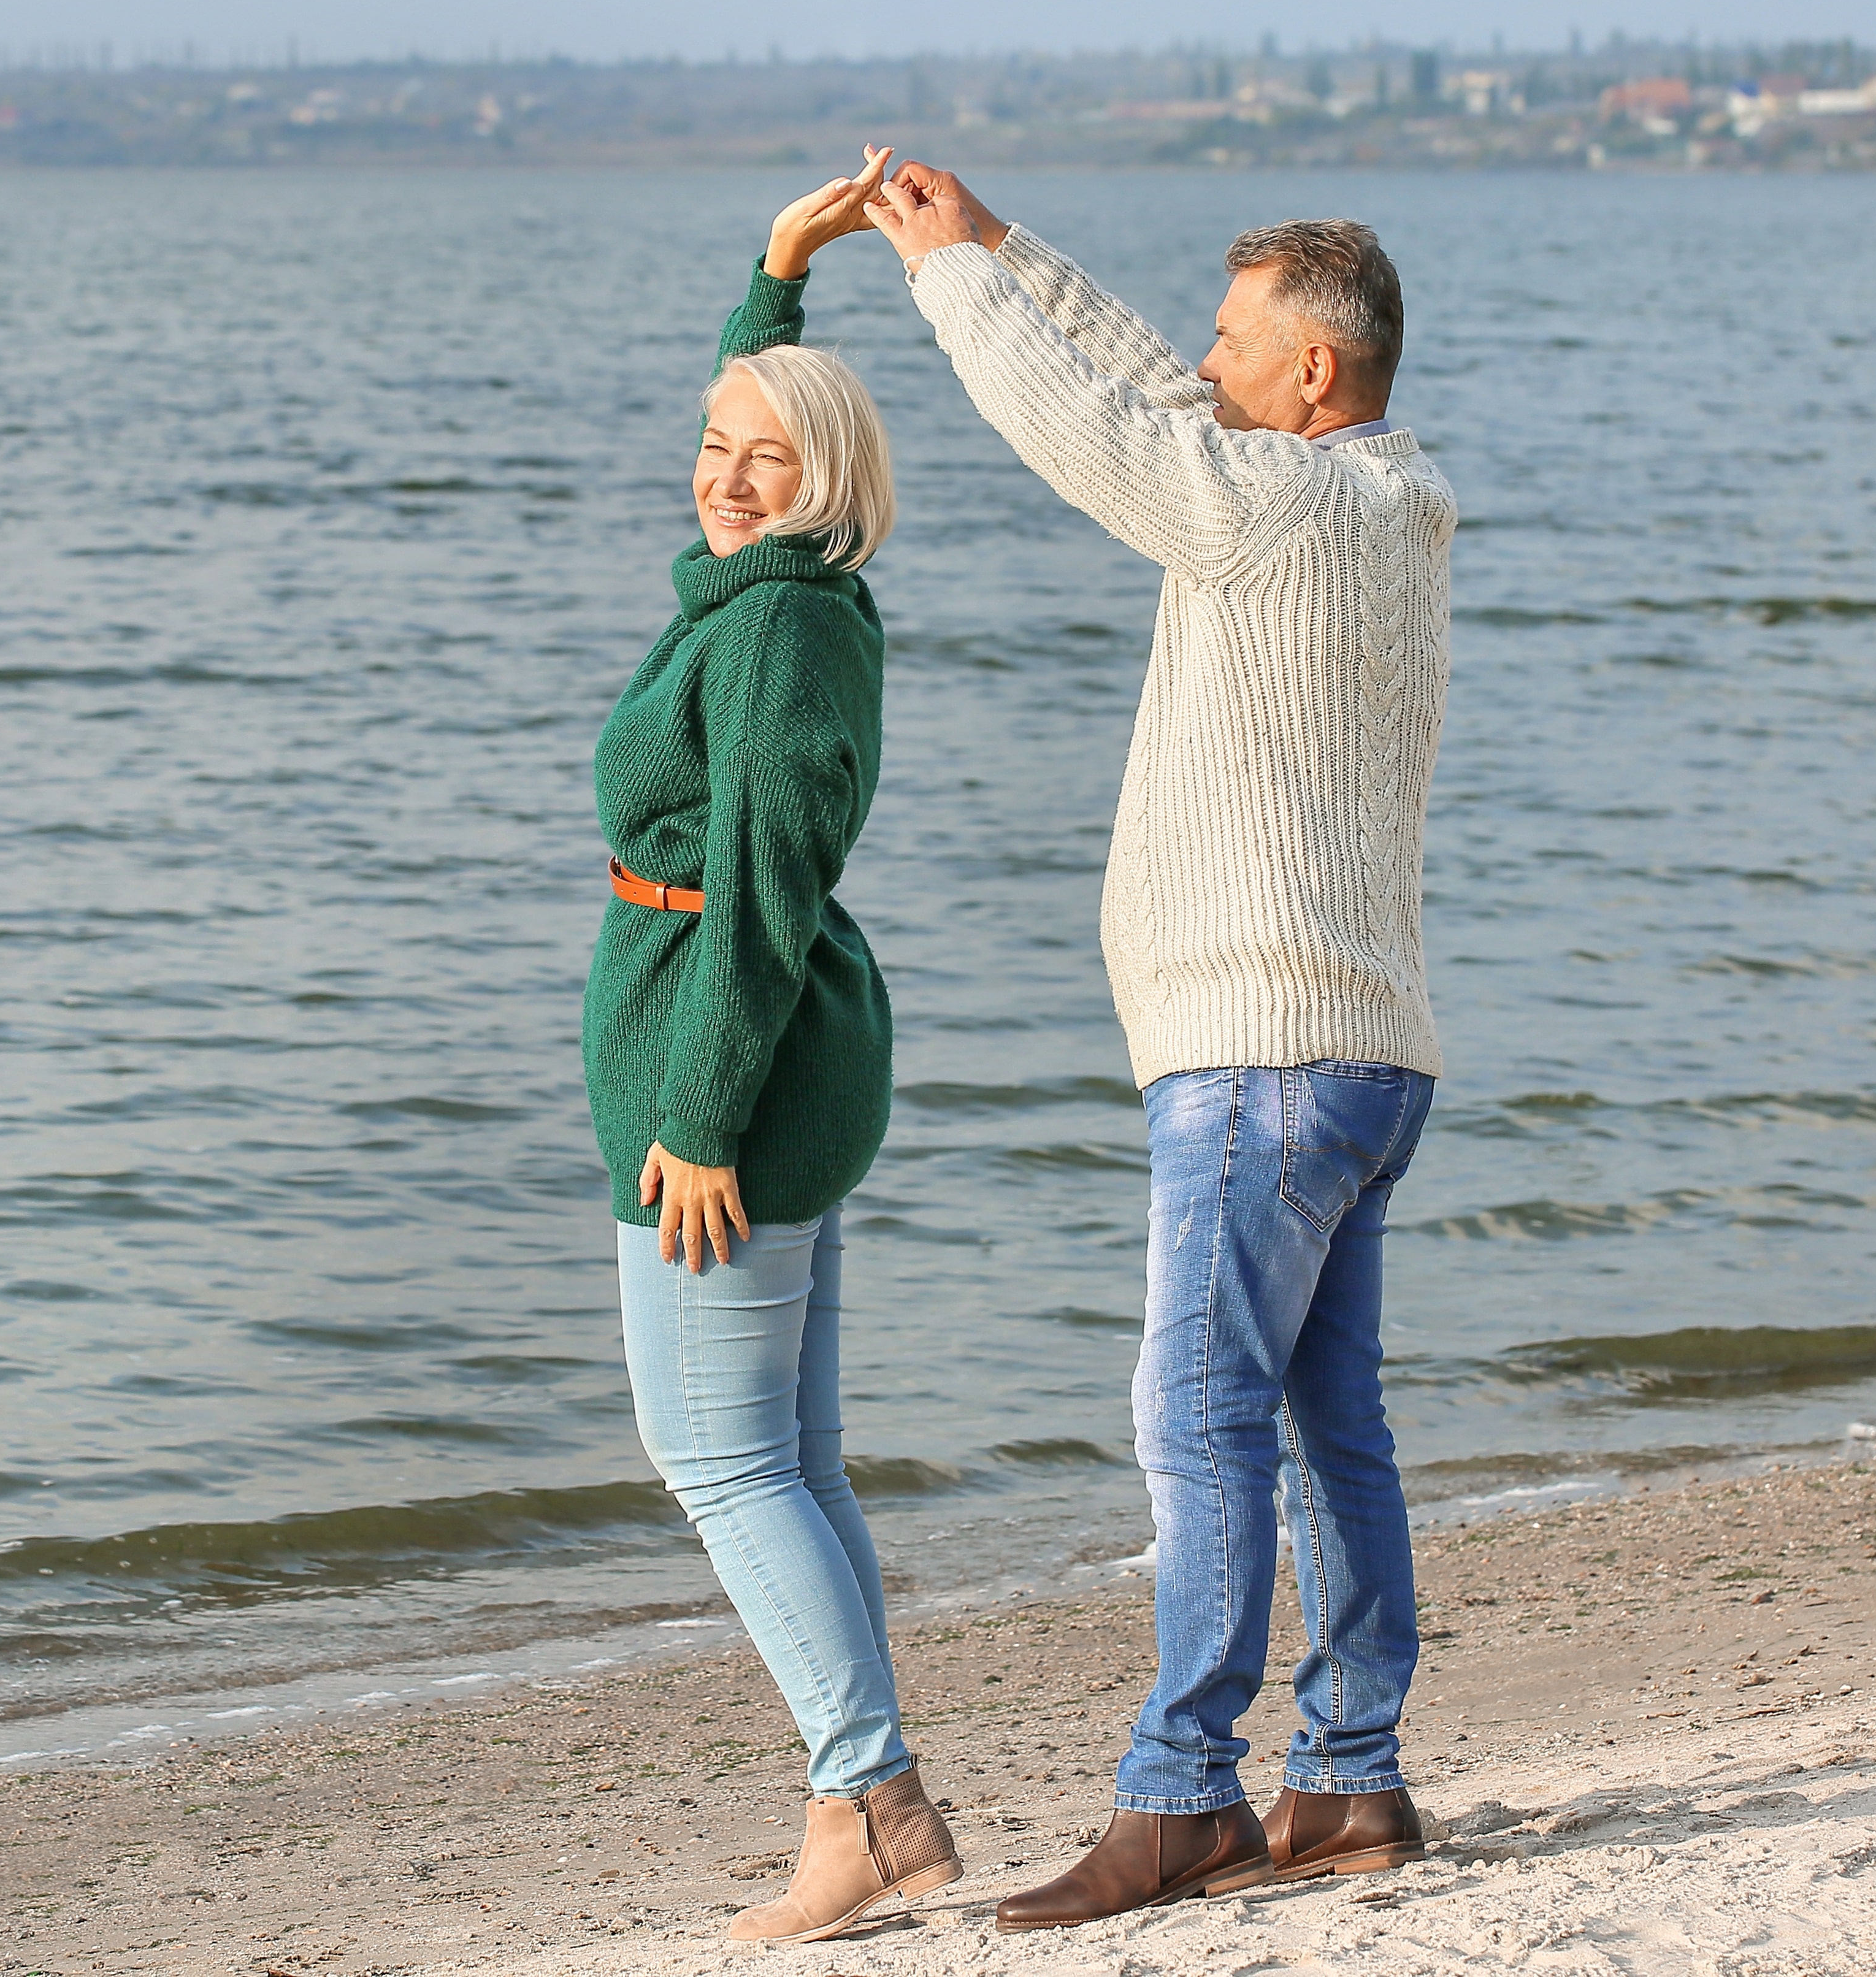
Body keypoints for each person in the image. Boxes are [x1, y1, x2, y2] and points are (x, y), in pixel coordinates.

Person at [862, 164, 1455, 1929]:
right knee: (1328, 1424)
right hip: (1362, 1048)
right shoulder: (1367, 494)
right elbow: (1158, 395)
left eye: (1234, 344)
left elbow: (1089, 433)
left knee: (1196, 1415)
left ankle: (1184, 1791)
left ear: (1315, 382)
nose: (1206, 367)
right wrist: (1006, 245)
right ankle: (1349, 1777)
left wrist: (949, 289)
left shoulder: (1272, 511)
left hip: (1260, 1049)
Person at [587, 148, 962, 1945]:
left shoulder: (785, 635)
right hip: (762, 1061)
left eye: (770, 460)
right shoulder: (762, 595)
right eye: (713, 445)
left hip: (737, 1077)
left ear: (834, 490)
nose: (729, 481)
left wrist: (698, 1114)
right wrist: (776, 275)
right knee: (790, 1459)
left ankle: (870, 1797)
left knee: (720, 1463)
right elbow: (759, 423)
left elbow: (756, 884)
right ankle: (861, 1796)